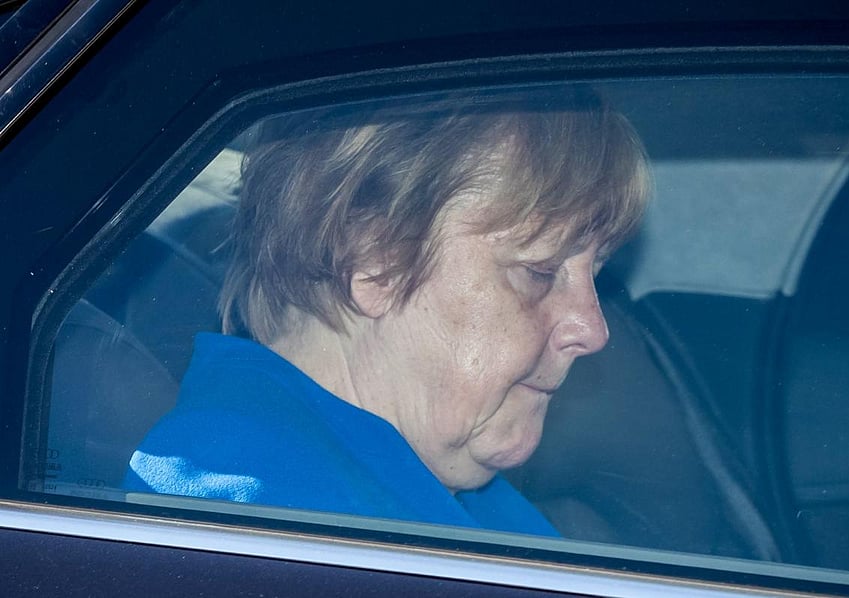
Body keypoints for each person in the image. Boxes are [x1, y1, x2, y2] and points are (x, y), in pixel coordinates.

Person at [124, 85, 650, 536]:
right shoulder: (251, 523)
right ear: (377, 263)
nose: (592, 328)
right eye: (540, 270)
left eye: (596, 273)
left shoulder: (424, 487)